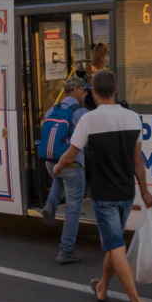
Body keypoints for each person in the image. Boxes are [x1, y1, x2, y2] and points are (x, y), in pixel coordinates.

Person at [52, 69, 152, 302]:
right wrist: (144, 191)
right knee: (114, 242)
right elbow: (138, 162)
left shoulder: (89, 120)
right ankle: (101, 288)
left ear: (95, 93)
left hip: (104, 194)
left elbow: (70, 153)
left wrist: (57, 168)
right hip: (125, 192)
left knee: (114, 246)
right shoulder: (133, 118)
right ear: (116, 89)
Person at [41, 76, 90, 264]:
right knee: (73, 206)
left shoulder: (52, 109)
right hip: (70, 162)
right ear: (75, 90)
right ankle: (66, 249)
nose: (86, 92)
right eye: (84, 89)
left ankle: (51, 203)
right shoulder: (81, 112)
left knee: (60, 177)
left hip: (50, 160)